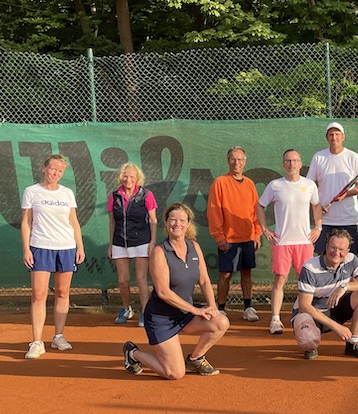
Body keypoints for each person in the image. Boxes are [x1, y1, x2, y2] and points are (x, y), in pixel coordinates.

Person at [122, 203, 229, 378]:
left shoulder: (194, 247)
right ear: (166, 223)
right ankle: (133, 353)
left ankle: (195, 359)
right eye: (172, 220)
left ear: (188, 224)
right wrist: (196, 310)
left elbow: (204, 280)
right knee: (174, 374)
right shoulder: (159, 252)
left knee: (221, 322)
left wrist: (211, 306)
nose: (177, 224)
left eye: (182, 220)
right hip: (161, 318)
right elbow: (163, 292)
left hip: (184, 313)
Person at [21, 154, 85, 359]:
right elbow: (26, 223)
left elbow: (73, 222)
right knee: (38, 295)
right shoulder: (31, 191)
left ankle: (58, 336)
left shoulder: (67, 193)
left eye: (60, 171)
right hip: (40, 246)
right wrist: (26, 249)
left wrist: (80, 247)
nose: (56, 173)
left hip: (66, 247)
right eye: (53, 169)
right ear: (43, 168)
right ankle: (37, 342)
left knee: (63, 293)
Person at [257, 149, 322, 335]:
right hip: (282, 242)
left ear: (300, 164)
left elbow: (316, 205)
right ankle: (275, 320)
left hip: (305, 242)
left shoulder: (309, 185)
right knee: (280, 280)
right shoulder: (275, 185)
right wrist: (264, 229)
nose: (291, 164)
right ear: (283, 164)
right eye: (287, 161)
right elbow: (260, 206)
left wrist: (318, 226)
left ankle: (306, 315)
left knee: (307, 282)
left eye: (295, 160)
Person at [292, 229, 358, 359]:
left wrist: (345, 286)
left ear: (348, 250)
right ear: (326, 246)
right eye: (333, 247)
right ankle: (311, 346)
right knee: (308, 338)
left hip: (335, 309)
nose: (336, 253)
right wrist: (337, 327)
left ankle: (352, 343)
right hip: (312, 315)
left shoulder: (351, 259)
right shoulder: (310, 268)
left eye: (341, 249)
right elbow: (304, 306)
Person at [207, 146, 262, 322]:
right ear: (228, 161)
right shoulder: (220, 182)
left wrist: (257, 233)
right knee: (225, 274)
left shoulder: (250, 184)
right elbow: (214, 211)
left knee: (247, 273)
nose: (236, 162)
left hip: (248, 237)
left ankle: (248, 307)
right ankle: (221, 309)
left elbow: (255, 211)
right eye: (233, 159)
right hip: (228, 240)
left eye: (240, 159)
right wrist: (219, 236)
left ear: (244, 162)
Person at [107, 162, 158, 327]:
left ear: (137, 178)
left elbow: (153, 220)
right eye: (125, 176)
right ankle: (126, 308)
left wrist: (152, 243)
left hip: (141, 241)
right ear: (121, 177)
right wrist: (110, 244)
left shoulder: (146, 195)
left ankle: (144, 312)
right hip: (119, 241)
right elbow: (112, 221)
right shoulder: (114, 196)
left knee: (141, 278)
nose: (128, 179)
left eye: (131, 176)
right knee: (123, 280)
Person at [306, 122, 358, 255]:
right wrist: (317, 206)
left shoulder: (353, 157)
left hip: (348, 219)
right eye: (331, 135)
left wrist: (347, 194)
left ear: (343, 137)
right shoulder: (318, 157)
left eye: (337, 134)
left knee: (349, 261)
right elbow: (309, 186)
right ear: (327, 137)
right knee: (323, 259)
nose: (334, 138)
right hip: (325, 220)